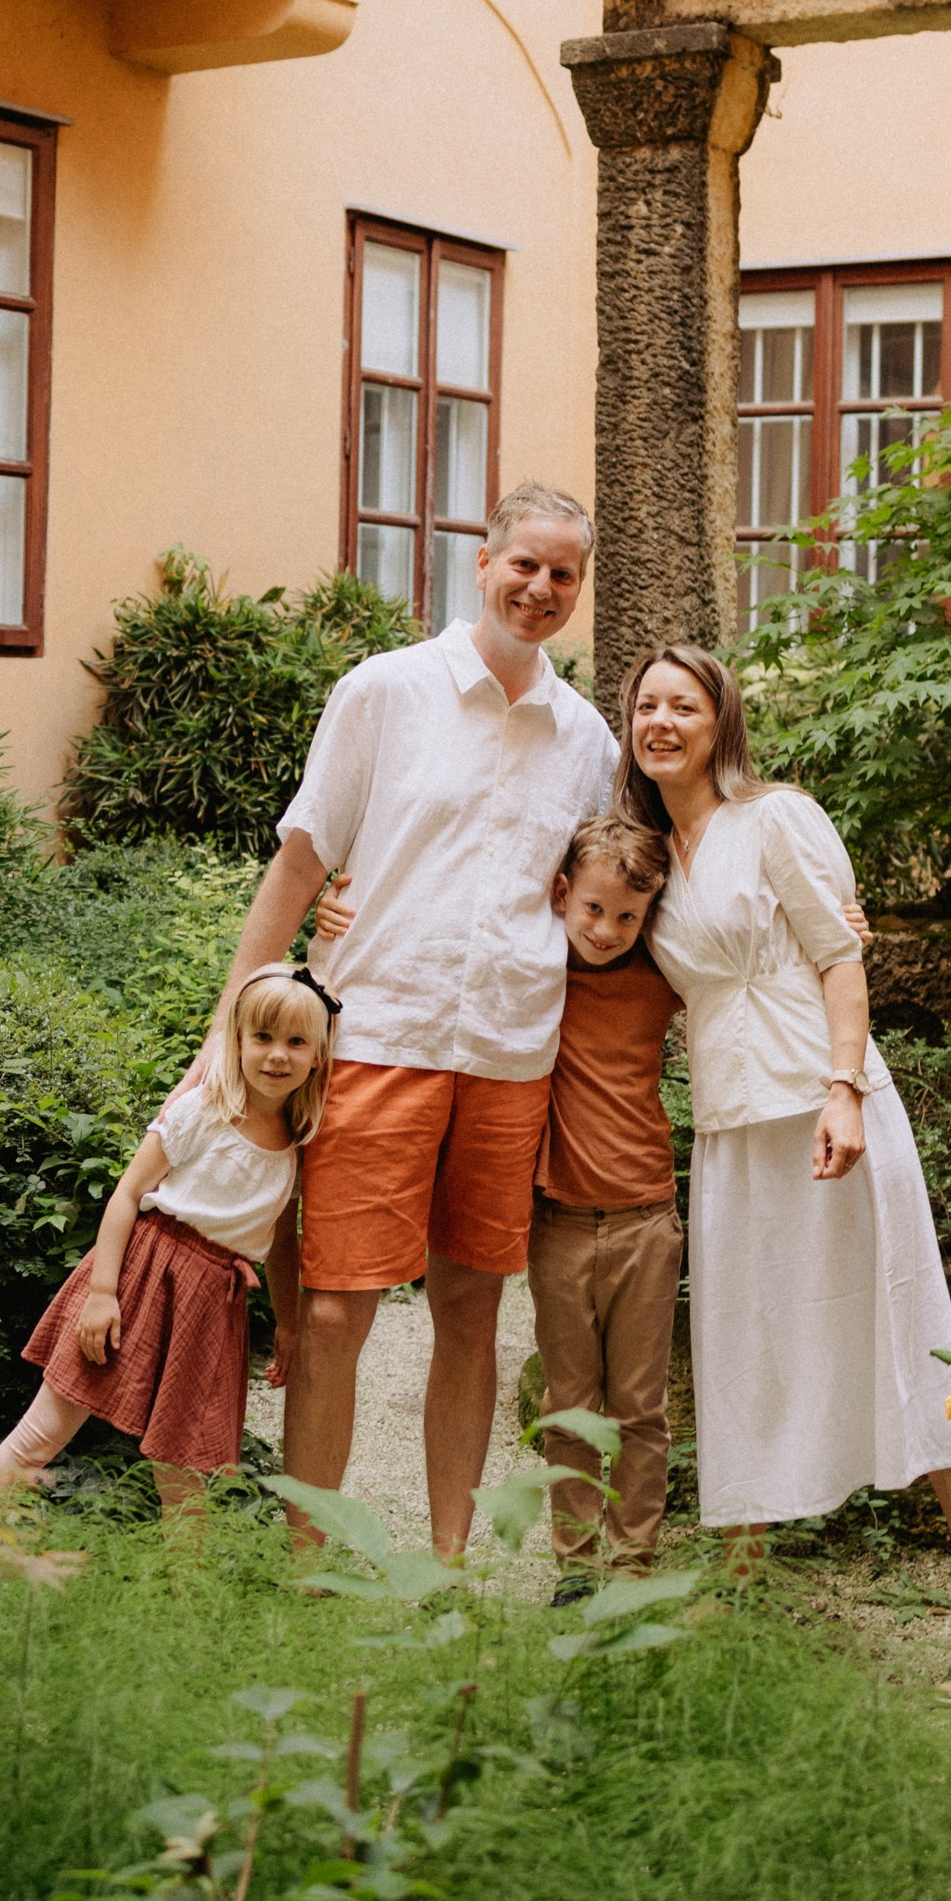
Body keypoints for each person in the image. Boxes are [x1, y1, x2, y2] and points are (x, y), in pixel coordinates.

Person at [185, 484, 617, 1560]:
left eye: (563, 574)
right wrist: (230, 1023)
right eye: (525, 564)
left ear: (577, 587)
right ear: (483, 563)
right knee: (335, 1313)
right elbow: (301, 859)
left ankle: (446, 1570)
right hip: (379, 1036)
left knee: (472, 1314)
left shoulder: (587, 740)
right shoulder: (385, 691)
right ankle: (311, 1566)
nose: (541, 588)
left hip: (510, 1053)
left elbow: (606, 897)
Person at [620, 644, 951, 1688]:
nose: (662, 722)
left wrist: (843, 1089)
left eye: (683, 705)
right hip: (730, 1126)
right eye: (646, 705)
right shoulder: (647, 855)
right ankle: (741, 1588)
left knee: (904, 1328)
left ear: (720, 722)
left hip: (823, 1107)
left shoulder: (776, 818)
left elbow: (840, 958)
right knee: (742, 1347)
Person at [0, 966, 332, 1527]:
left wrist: (288, 1322)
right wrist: (101, 1293)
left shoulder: (298, 1147)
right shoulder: (202, 1110)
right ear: (236, 1041)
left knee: (182, 1473)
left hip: (209, 1309)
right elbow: (128, 1193)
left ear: (318, 1057)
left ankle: (180, 1584)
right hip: (142, 1275)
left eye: (296, 1042)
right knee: (41, 1434)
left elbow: (283, 1240)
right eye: (263, 1037)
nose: (277, 1055)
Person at [527, 811, 684, 1593]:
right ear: (563, 894)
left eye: (627, 916)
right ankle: (576, 1567)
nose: (606, 929)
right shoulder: (535, 971)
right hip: (556, 1222)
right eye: (593, 908)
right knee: (570, 1403)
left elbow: (750, 964)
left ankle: (632, 1565)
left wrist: (836, 928)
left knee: (640, 1407)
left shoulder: (661, 979)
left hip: (647, 1218)